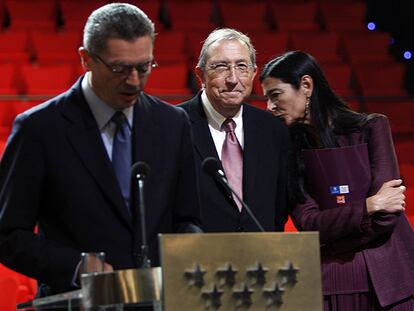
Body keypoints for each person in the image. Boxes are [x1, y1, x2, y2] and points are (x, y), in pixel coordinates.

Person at [0, 3, 201, 296]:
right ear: (86, 59)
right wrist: (76, 266)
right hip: (78, 300)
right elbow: (8, 235)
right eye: (119, 68)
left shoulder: (173, 123)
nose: (134, 81)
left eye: (143, 67)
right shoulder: (39, 128)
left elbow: (187, 219)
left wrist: (187, 253)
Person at [260, 50, 414, 310]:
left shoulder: (372, 127)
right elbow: (308, 225)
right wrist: (368, 206)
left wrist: (332, 240)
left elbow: (388, 216)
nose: (269, 106)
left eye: (275, 95)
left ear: (306, 85)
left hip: (390, 276)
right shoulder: (287, 150)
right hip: (332, 282)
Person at [178, 28, 289, 232]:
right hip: (196, 258)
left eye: (241, 66)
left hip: (261, 257)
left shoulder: (273, 129)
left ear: (254, 73)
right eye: (221, 67)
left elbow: (278, 207)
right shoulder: (174, 126)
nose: (233, 78)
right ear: (200, 75)